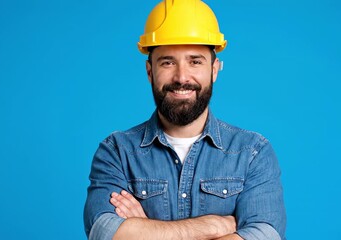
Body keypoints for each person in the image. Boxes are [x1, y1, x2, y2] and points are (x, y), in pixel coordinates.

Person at [83, 0, 286, 239]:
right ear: (150, 71)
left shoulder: (252, 152)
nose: (181, 77)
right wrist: (213, 226)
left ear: (214, 69)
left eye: (195, 61)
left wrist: (145, 230)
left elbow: (265, 234)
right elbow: (104, 232)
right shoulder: (116, 151)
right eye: (167, 62)